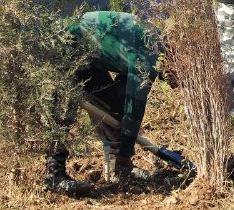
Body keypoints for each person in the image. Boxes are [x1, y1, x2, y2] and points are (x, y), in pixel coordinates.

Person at [44, 11, 162, 195]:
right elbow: (134, 106)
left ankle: (120, 171)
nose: (174, 85)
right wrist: (126, 151)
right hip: (65, 43)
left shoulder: (158, 44)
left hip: (90, 56)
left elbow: (126, 92)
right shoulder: (150, 55)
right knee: (64, 107)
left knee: (114, 109)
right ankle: (53, 174)